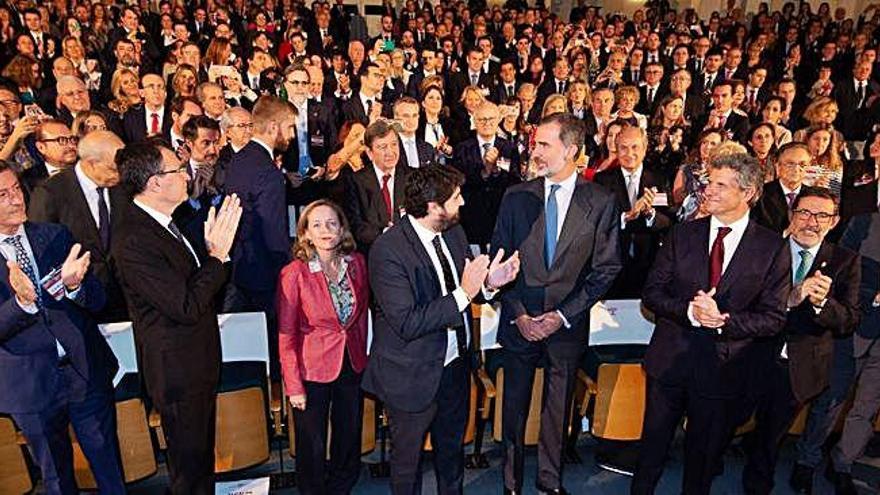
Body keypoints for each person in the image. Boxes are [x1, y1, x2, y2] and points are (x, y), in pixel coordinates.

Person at [632, 152, 791, 495]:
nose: (709, 190)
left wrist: (724, 322)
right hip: (669, 364)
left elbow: (774, 317)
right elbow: (652, 293)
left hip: (724, 370)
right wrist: (690, 312)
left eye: (721, 184)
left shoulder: (772, 248)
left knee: (702, 460)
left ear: (748, 192)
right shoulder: (682, 234)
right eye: (709, 182)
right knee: (651, 452)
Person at [362, 164, 520, 495]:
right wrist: (464, 292)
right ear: (433, 206)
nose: (462, 202)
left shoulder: (454, 232)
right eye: (456, 197)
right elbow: (407, 322)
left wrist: (491, 284)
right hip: (410, 374)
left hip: (454, 367)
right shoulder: (387, 250)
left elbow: (469, 288)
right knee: (407, 465)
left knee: (452, 455)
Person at [490, 113, 622, 494]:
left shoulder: (600, 202)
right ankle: (510, 483)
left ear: (572, 151)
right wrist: (520, 314)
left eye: (544, 145)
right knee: (513, 409)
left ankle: (550, 481)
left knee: (557, 410)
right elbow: (500, 262)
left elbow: (606, 268)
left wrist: (561, 315)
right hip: (519, 323)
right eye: (535, 144)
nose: (536, 152)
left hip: (566, 326)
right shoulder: (516, 197)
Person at [113, 142, 242, 494]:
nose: (187, 175)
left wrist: (215, 259)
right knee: (189, 472)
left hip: (195, 365)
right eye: (176, 170)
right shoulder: (134, 239)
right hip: (177, 373)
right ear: (155, 182)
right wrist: (217, 258)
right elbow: (185, 304)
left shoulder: (167, 224)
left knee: (200, 464)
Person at [0, 159, 125, 494]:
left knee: (110, 471)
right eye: (2, 194)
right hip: (31, 385)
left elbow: (98, 300)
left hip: (84, 371)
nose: (16, 199)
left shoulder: (55, 236)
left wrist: (74, 287)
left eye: (16, 189)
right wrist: (22, 305)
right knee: (56, 479)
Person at [742, 186, 860, 495]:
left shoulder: (845, 262)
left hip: (798, 369)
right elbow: (742, 300)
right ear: (792, 215)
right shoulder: (764, 250)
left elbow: (848, 320)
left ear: (834, 222)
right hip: (748, 355)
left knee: (770, 440)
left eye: (822, 215)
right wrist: (789, 297)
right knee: (727, 423)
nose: (811, 222)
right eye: (805, 213)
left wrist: (822, 304)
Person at [277, 200, 369, 495]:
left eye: (332, 223)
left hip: (351, 363)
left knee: (348, 437)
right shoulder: (294, 273)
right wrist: (293, 386)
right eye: (316, 225)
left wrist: (365, 359)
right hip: (311, 370)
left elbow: (362, 315)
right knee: (312, 446)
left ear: (342, 228)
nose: (326, 230)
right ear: (305, 233)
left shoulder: (356, 263)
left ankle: (342, 488)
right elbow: (286, 335)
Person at [223, 96, 295, 378]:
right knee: (274, 353)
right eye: (289, 128)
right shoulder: (269, 173)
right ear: (274, 126)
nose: (290, 135)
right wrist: (290, 271)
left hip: (240, 270)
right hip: (265, 276)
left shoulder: (238, 160)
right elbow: (274, 233)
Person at [28, 130, 129, 323]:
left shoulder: (122, 188)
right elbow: (42, 252)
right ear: (92, 163)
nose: (120, 174)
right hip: (81, 303)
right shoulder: (51, 193)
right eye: (113, 168)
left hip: (124, 299)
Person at [594, 126, 672, 299]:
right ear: (616, 149)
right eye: (623, 147)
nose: (629, 153)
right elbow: (596, 221)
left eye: (635, 147)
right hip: (612, 266)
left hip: (648, 266)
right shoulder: (602, 180)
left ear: (644, 149)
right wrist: (625, 217)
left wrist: (650, 213)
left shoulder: (659, 179)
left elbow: (668, 221)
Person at [344, 119, 409, 253]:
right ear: (370, 153)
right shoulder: (356, 181)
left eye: (394, 144)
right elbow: (355, 225)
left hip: (408, 252)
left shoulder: (412, 177)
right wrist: (386, 233)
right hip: (373, 253)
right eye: (382, 147)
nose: (390, 152)